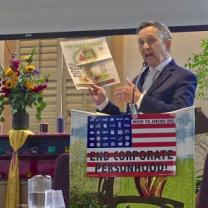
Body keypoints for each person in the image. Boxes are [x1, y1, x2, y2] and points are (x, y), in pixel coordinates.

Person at [89, 20, 197, 115]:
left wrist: (139, 99)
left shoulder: (184, 77)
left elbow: (181, 115)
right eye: (141, 42)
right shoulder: (137, 80)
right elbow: (129, 121)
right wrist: (103, 102)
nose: (145, 47)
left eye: (151, 40)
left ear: (167, 44)